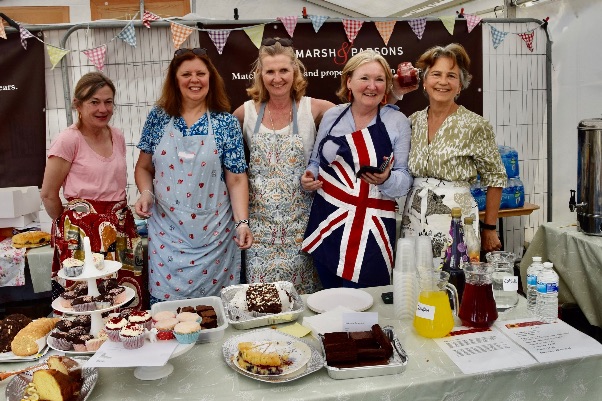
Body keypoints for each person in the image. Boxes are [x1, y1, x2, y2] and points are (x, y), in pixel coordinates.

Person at [135, 48, 253, 305]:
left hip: (215, 235)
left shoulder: (226, 123)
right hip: (167, 236)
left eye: (201, 73)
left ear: (210, 78)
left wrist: (242, 221)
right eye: (186, 74)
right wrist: (146, 192)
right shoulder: (158, 118)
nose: (194, 79)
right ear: (175, 80)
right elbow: (144, 168)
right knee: (168, 317)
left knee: (216, 311)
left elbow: (237, 179)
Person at [301, 50, 413, 289]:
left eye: (380, 79)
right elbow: (315, 160)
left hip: (371, 234)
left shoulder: (397, 122)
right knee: (331, 307)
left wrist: (386, 179)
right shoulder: (332, 115)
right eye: (364, 78)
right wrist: (309, 176)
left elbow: (404, 179)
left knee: (365, 312)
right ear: (348, 81)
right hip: (328, 225)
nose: (372, 86)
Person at [233, 37, 334, 295]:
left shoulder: (315, 109)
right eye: (270, 71)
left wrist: (319, 172)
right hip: (259, 233)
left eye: (284, 70)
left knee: (304, 304)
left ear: (295, 71)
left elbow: (359, 114)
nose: (277, 78)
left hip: (303, 229)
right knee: (262, 303)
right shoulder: (245, 114)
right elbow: (232, 173)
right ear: (260, 75)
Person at [40, 72, 147, 310]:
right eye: (94, 102)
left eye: (108, 102)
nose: (103, 109)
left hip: (121, 228)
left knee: (125, 297)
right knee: (89, 302)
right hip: (83, 234)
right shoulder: (68, 140)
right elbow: (48, 194)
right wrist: (70, 226)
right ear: (78, 105)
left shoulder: (116, 135)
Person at [400, 43, 507, 261]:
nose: (443, 82)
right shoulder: (412, 122)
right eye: (436, 74)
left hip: (457, 219)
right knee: (414, 282)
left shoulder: (475, 125)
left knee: (454, 282)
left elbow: (496, 178)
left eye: (451, 76)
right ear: (425, 81)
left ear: (460, 86)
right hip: (414, 217)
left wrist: (489, 228)